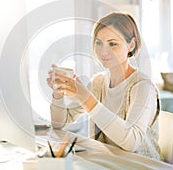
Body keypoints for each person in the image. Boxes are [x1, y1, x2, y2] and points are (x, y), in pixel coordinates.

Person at [46, 12, 161, 160]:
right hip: (106, 161)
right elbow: (59, 123)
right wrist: (58, 93)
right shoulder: (98, 82)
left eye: (112, 44)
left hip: (139, 165)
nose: (103, 51)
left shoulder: (143, 86)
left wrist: (85, 98)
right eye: (98, 43)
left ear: (131, 45)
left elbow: (131, 142)